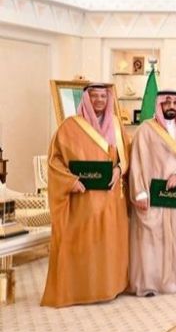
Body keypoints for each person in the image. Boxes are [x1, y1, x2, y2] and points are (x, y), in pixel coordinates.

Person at [42, 83, 130, 307]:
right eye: (94, 96)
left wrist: (120, 169)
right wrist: (70, 181)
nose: (99, 100)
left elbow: (126, 156)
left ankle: (109, 287)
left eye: (103, 96)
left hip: (111, 197)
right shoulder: (69, 126)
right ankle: (82, 290)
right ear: (86, 99)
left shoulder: (117, 125)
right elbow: (54, 161)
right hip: (83, 199)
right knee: (85, 244)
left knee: (108, 244)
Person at [128, 90, 176, 296]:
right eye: (167, 102)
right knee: (152, 238)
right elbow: (137, 162)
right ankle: (148, 283)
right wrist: (140, 192)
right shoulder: (145, 129)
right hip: (153, 193)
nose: (171, 106)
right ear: (159, 104)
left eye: (175, 102)